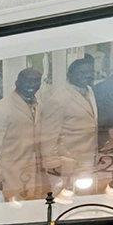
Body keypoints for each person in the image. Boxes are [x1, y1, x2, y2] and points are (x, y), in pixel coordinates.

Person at [0, 66, 46, 202]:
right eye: (28, 81)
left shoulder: (39, 105)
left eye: (36, 81)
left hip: (34, 173)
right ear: (17, 82)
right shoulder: (1, 108)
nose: (32, 85)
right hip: (9, 176)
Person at [40, 56, 101, 190]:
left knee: (85, 200)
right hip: (66, 163)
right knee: (64, 201)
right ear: (70, 75)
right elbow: (48, 135)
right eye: (82, 72)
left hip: (88, 160)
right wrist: (53, 165)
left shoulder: (89, 91)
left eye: (90, 72)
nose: (88, 75)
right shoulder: (58, 98)